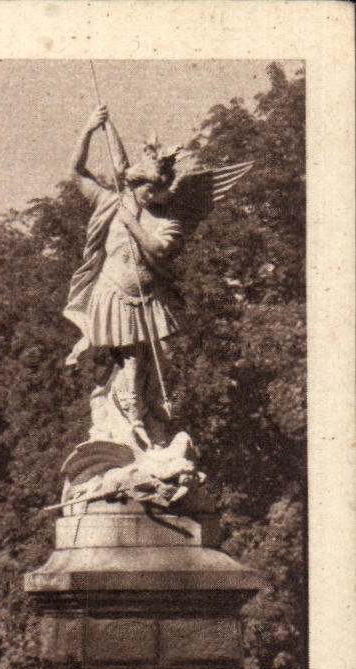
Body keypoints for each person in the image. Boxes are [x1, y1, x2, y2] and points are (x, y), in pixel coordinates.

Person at [64, 104, 253, 452]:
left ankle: (154, 419)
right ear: (136, 184)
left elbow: (160, 251)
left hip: (151, 301)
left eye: (158, 191)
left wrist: (132, 223)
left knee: (163, 359)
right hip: (114, 293)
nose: (153, 196)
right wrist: (89, 129)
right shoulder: (110, 201)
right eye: (148, 189)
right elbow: (76, 172)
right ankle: (132, 421)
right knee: (131, 362)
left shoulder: (167, 218)